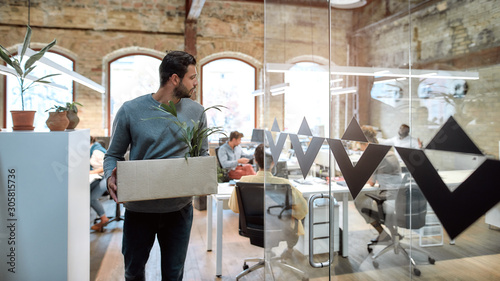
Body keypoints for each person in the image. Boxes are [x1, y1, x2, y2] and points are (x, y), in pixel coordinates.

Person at [103, 50, 206, 281]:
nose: (196, 83)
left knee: (173, 275)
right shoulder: (131, 110)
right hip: (139, 210)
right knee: (133, 272)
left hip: (179, 210)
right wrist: (110, 176)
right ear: (175, 79)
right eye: (192, 77)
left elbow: (203, 155)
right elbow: (113, 155)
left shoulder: (197, 112)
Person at [228, 144, 308, 258]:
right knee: (296, 219)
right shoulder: (284, 184)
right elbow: (303, 210)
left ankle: (272, 251)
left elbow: (234, 207)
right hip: (280, 228)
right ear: (273, 162)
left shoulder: (244, 181)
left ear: (255, 160)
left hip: (253, 227)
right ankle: (289, 250)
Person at [354, 125, 403, 245]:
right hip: (399, 197)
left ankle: (382, 234)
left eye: (361, 146)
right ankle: (394, 234)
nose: (361, 149)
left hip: (387, 198)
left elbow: (371, 182)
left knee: (359, 201)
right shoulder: (390, 153)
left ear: (366, 144)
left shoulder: (373, 156)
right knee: (372, 199)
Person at [90, 136, 109, 231]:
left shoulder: (96, 152)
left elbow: (105, 167)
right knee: (86, 191)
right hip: (100, 177)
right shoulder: (94, 149)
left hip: (107, 177)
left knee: (92, 198)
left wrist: (90, 172)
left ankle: (103, 219)